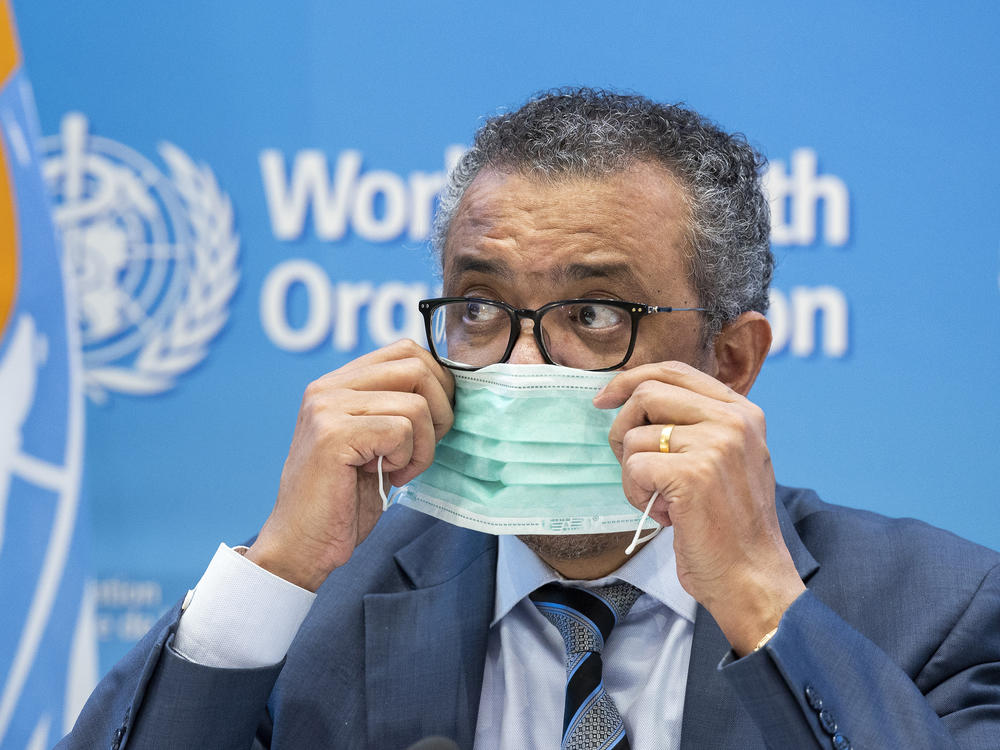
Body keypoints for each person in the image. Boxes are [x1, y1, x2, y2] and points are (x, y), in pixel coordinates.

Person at [60, 88, 1000, 750]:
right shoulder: (310, 625)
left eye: (594, 315)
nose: (518, 363)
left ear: (730, 360)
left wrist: (758, 596)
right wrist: (277, 570)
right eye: (477, 309)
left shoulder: (935, 612)